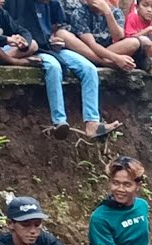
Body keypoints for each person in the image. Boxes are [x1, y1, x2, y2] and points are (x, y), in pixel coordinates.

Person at [8, 0, 122, 140]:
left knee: (88, 68)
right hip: (32, 49)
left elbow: (55, 29)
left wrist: (56, 40)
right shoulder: (20, 4)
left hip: (53, 48)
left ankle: (92, 122)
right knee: (54, 67)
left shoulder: (54, 4)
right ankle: (59, 121)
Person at [62, 0, 152, 72]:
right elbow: (91, 44)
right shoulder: (79, 13)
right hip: (89, 52)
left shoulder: (115, 12)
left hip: (111, 49)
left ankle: (106, 61)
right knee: (63, 34)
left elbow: (118, 37)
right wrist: (116, 58)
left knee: (135, 42)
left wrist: (108, 13)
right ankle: (105, 63)